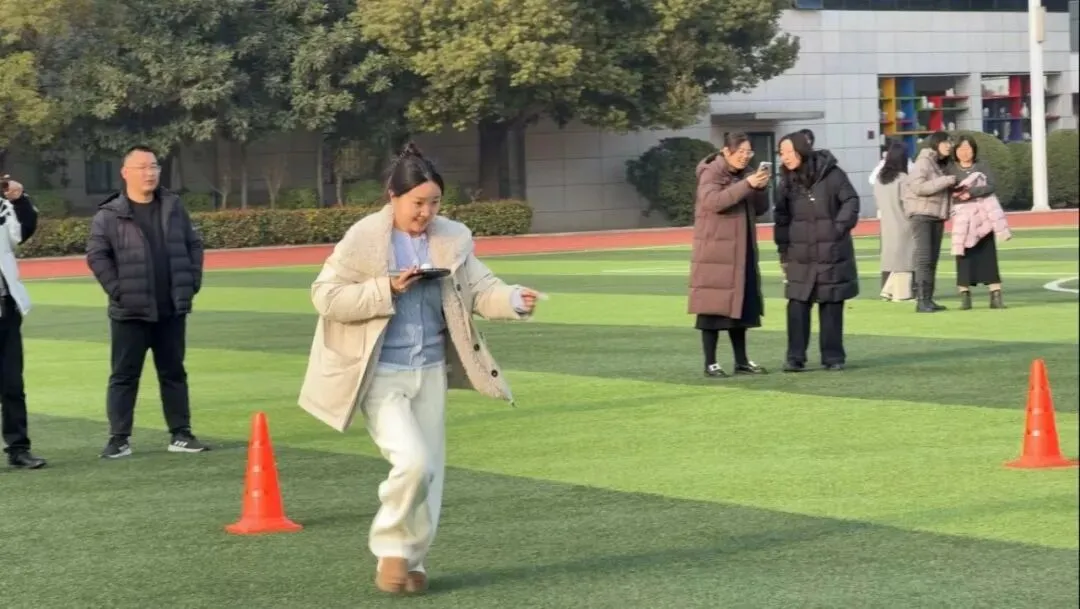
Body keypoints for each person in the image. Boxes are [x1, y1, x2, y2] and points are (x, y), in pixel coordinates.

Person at [297, 142, 541, 596]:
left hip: (430, 371)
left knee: (431, 476)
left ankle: (413, 560)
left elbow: (480, 288)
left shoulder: (452, 238)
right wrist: (386, 288)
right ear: (393, 196)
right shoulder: (363, 239)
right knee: (412, 463)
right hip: (381, 373)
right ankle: (391, 548)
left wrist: (512, 299)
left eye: (434, 203)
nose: (426, 212)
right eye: (417, 202)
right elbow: (325, 297)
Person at [86, 145, 209, 459]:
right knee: (124, 376)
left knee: (173, 373)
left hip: (171, 308)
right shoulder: (109, 214)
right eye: (142, 167)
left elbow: (194, 245)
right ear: (125, 173)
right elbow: (97, 257)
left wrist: (191, 282)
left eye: (153, 166)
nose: (149, 173)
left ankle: (181, 434)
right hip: (130, 311)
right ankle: (119, 439)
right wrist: (118, 290)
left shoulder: (173, 206)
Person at [773, 132, 860, 372]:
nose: (785, 157)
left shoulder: (832, 174)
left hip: (832, 251)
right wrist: (783, 250)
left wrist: (837, 228)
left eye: (789, 152)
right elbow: (781, 217)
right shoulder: (786, 181)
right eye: (781, 153)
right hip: (799, 253)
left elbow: (851, 201)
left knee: (831, 303)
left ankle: (833, 357)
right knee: (797, 304)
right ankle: (795, 357)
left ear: (801, 150)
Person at [688, 132, 771, 378]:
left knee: (741, 308)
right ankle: (710, 362)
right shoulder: (711, 172)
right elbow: (713, 202)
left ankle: (741, 361)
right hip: (716, 252)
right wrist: (747, 185)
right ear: (726, 151)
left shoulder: (747, 174)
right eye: (740, 152)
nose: (745, 157)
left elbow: (761, 209)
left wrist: (760, 188)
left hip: (741, 249)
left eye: (748, 152)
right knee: (712, 310)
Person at [0, 177, 47, 469]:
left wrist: (19, 200)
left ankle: (18, 448)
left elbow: (21, 232)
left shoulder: (2, 206)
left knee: (12, 385)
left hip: (5, 307)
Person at [946, 135, 1008, 310]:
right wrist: (960, 194)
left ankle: (995, 296)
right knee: (963, 256)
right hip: (963, 219)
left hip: (984, 216)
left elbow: (991, 186)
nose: (964, 152)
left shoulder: (982, 166)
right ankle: (965, 297)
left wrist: (971, 192)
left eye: (968, 148)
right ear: (955, 151)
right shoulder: (950, 169)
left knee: (988, 255)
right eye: (961, 149)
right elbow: (948, 190)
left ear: (974, 150)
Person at [903, 131, 957, 313]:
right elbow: (918, 187)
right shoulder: (924, 161)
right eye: (945, 142)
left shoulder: (941, 164)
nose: (949, 145)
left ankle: (928, 298)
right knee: (924, 258)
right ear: (935, 144)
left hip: (936, 215)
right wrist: (946, 181)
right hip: (922, 215)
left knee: (932, 259)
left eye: (950, 142)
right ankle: (921, 300)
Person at [874, 142, 916, 302]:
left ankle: (888, 289)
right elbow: (908, 202)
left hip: (886, 223)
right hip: (903, 222)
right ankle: (901, 293)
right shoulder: (903, 179)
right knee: (905, 259)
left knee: (891, 257)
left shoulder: (879, 179)